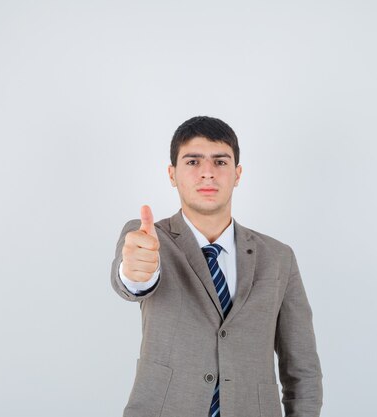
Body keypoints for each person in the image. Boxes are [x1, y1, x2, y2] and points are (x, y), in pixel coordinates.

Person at [110, 116, 323, 417]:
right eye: (193, 162)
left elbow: (302, 368)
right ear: (172, 174)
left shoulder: (278, 257)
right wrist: (134, 274)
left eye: (220, 162)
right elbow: (132, 281)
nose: (207, 173)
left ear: (237, 174)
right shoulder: (146, 238)